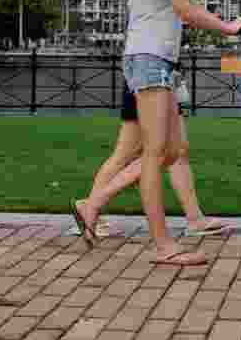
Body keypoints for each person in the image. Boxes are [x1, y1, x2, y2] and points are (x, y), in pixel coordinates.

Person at [121, 0, 241, 266]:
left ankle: (94, 202)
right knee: (155, 153)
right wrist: (227, 27)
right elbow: (185, 10)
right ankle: (164, 247)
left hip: (161, 62)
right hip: (148, 59)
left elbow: (186, 5)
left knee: (173, 151)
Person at [71, 81, 230, 243]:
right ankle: (90, 206)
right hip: (150, 81)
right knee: (131, 153)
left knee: (175, 151)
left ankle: (194, 217)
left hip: (161, 80)